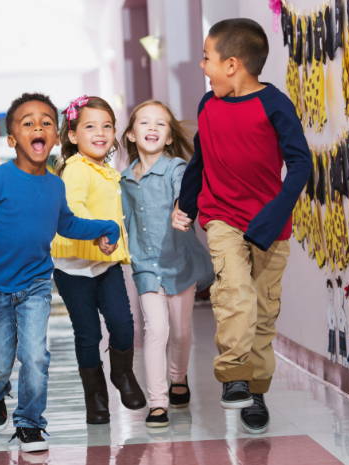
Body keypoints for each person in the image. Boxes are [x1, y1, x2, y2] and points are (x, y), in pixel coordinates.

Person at [0, 92, 120, 452]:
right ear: (12, 140)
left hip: (37, 285)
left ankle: (29, 422)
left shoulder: (55, 185)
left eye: (46, 122)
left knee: (36, 357)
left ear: (55, 137)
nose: (38, 127)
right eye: (28, 123)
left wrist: (106, 227)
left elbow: (67, 224)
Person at [173, 18, 311, 434]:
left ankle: (256, 390)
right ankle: (233, 374)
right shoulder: (207, 106)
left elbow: (301, 163)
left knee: (264, 312)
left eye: (206, 58)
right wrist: (188, 204)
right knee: (234, 293)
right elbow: (200, 160)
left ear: (232, 64)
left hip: (270, 227)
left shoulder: (274, 104)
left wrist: (275, 214)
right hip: (223, 220)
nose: (202, 66)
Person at [51, 95, 145, 425]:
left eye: (107, 126)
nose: (101, 133)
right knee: (88, 333)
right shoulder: (75, 168)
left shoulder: (106, 170)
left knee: (122, 323)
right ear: (73, 135)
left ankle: (122, 374)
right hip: (72, 267)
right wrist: (99, 233)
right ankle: (96, 396)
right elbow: (75, 209)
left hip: (104, 263)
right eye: (90, 126)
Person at [120, 100, 214, 428]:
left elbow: (184, 193)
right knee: (155, 329)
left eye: (160, 124)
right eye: (144, 123)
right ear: (131, 135)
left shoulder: (176, 168)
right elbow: (124, 219)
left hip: (179, 262)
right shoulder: (125, 179)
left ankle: (178, 377)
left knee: (182, 331)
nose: (152, 129)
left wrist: (180, 208)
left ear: (170, 135)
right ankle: (157, 402)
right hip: (145, 263)